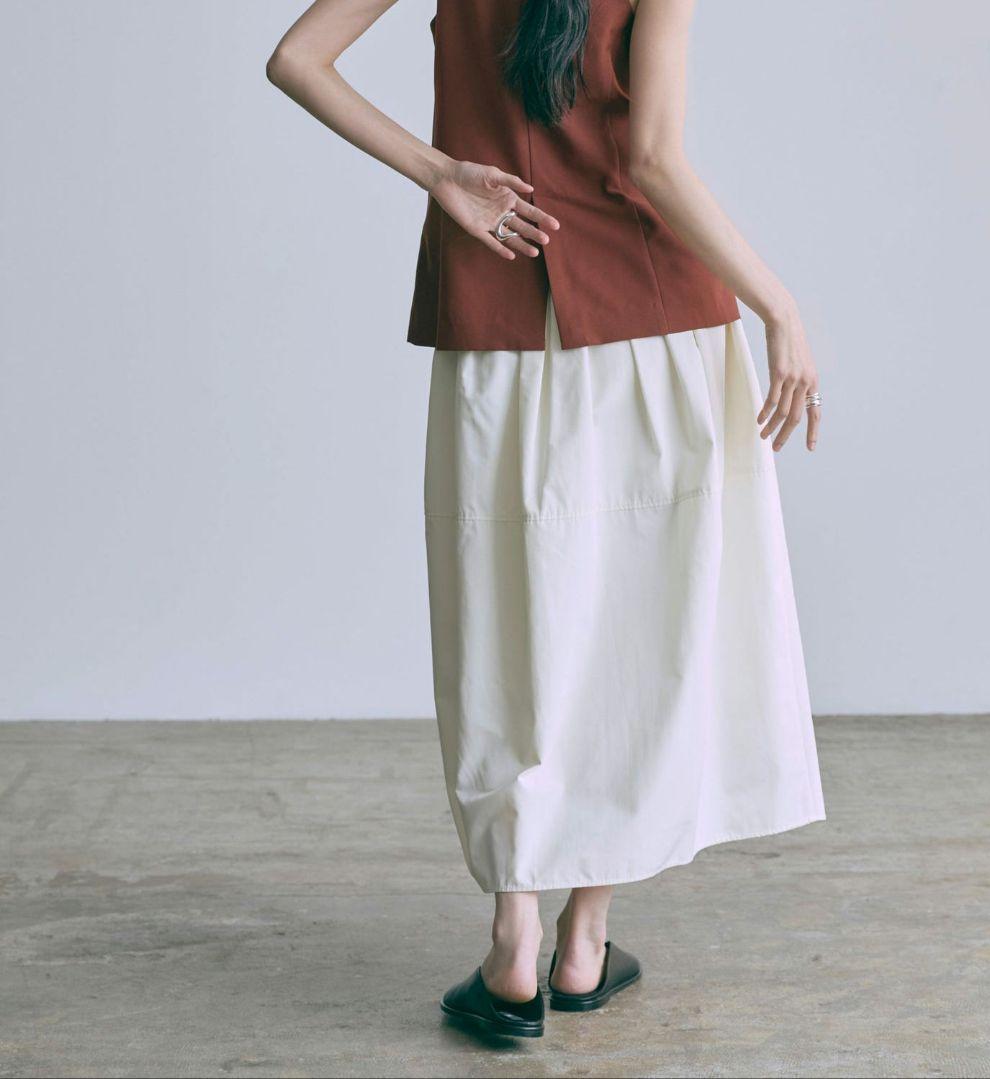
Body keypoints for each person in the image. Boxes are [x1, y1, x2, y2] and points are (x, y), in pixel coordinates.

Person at [268, 0, 825, 1039]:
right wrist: (780, 305)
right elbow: (652, 160)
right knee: (633, 634)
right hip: (652, 321)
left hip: (499, 315)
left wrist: (442, 174)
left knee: (504, 631)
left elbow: (298, 59)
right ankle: (584, 941)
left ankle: (514, 943)